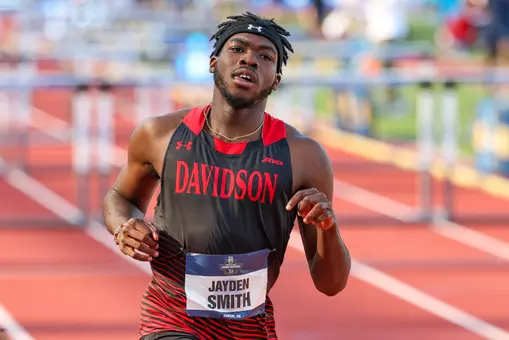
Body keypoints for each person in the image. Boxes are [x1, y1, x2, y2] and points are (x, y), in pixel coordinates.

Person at [103, 12, 351, 340]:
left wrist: (328, 230)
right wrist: (124, 226)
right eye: (238, 48)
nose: (249, 58)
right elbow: (120, 198)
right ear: (213, 62)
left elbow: (330, 284)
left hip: (250, 326)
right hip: (172, 317)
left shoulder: (303, 156)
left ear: (275, 81)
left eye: (265, 56)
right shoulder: (160, 134)